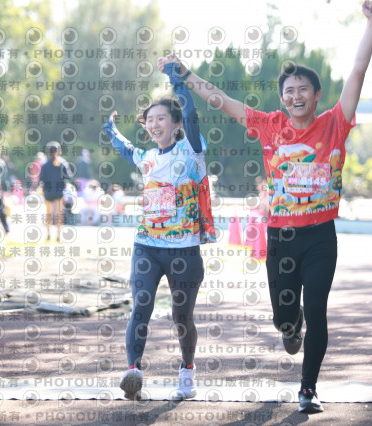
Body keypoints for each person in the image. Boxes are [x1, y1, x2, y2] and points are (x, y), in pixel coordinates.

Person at [171, 0, 372, 413]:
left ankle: (308, 389)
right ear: (283, 98)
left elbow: (358, 71)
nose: (296, 95)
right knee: (285, 319)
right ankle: (291, 325)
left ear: (316, 95)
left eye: (303, 89)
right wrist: (186, 75)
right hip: (282, 237)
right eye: (289, 91)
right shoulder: (270, 126)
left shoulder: (335, 123)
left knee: (317, 310)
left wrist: (371, 24)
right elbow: (222, 100)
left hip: (320, 237)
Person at [100, 61, 215, 401]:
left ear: (176, 124)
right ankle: (133, 369)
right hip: (147, 245)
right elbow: (126, 150)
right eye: (149, 120)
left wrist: (177, 82)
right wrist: (110, 130)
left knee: (182, 317)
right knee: (141, 304)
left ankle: (187, 370)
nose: (154, 125)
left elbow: (192, 114)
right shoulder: (148, 157)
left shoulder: (192, 150)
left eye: (161, 118)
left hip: (184, 249)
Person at [38, 141, 72, 242]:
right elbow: (69, 177)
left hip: (48, 191)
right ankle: (58, 235)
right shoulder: (63, 163)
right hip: (59, 191)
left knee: (48, 213)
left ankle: (48, 234)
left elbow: (41, 178)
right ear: (59, 151)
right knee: (58, 214)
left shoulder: (45, 164)